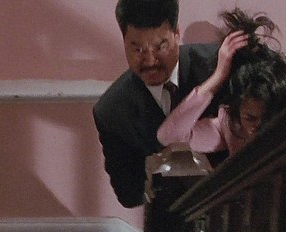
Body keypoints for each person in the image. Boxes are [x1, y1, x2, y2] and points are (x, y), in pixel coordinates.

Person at [93, 0, 222, 208]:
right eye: (137, 49)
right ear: (124, 41)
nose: (150, 61)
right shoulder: (111, 112)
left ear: (176, 33)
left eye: (160, 46)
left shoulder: (219, 66)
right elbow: (128, 195)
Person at [157, 8, 286, 156]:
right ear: (238, 111)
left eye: (267, 118)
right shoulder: (229, 126)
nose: (259, 128)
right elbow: (169, 137)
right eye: (250, 118)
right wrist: (217, 77)